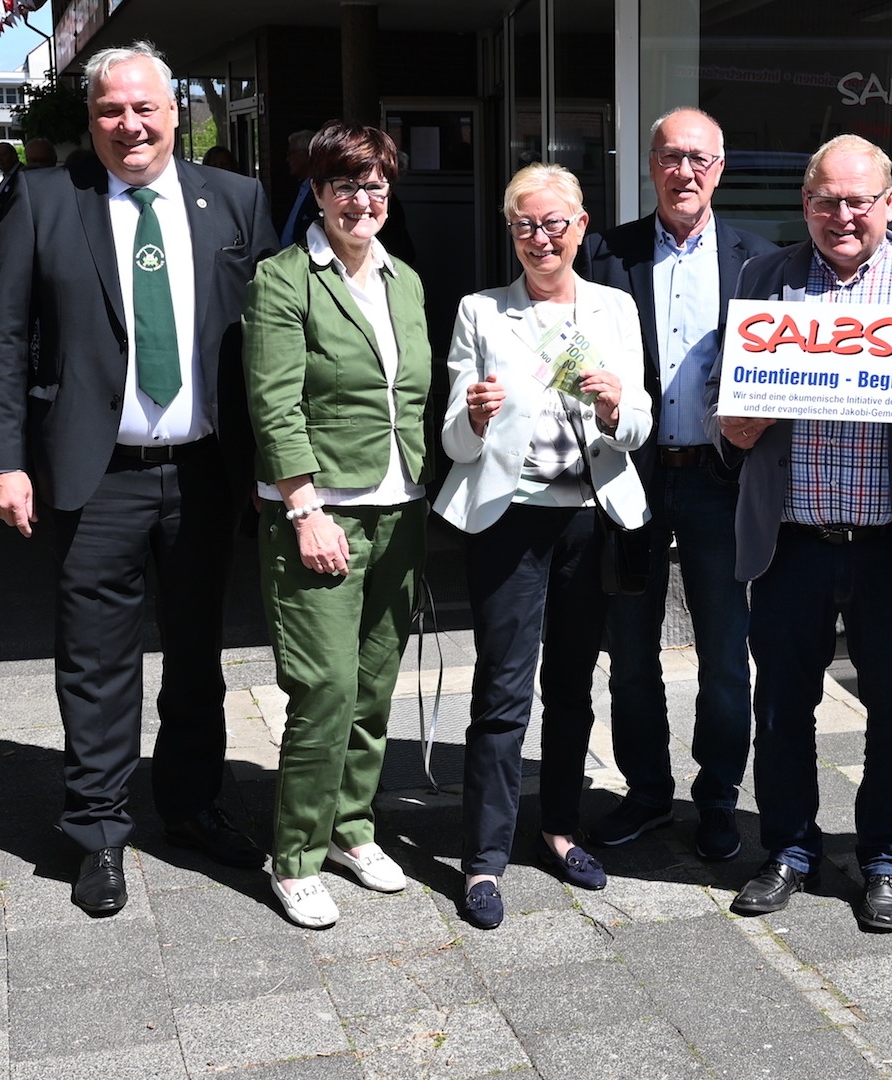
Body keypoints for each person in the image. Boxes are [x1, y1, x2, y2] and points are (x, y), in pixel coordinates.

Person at [0, 41, 278, 916]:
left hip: (205, 472)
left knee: (197, 655)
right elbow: (3, 336)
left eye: (145, 108)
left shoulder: (236, 200)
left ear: (176, 113)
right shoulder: (42, 198)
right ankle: (97, 831)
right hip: (95, 475)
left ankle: (191, 806)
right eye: (111, 110)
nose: (130, 125)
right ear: (92, 117)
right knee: (96, 663)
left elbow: (271, 334)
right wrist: (1, 458)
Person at [712, 134, 892, 933]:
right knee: (780, 710)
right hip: (792, 539)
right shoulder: (763, 279)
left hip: (890, 542)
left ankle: (886, 860)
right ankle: (789, 850)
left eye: (858, 200)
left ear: (888, 203)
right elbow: (728, 405)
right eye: (825, 200)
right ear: (805, 205)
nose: (841, 216)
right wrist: (735, 425)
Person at [433, 163, 651, 930]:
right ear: (511, 231)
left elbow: (638, 427)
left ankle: (560, 830)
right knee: (501, 692)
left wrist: (616, 406)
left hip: (588, 519)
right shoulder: (481, 312)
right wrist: (474, 417)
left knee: (571, 687)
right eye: (525, 224)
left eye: (554, 223)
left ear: (581, 227)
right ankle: (482, 859)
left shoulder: (613, 309)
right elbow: (453, 441)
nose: (540, 238)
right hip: (509, 519)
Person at [242, 122, 431, 929]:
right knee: (324, 688)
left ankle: (351, 829)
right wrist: (304, 508)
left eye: (375, 184)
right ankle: (294, 856)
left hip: (400, 507)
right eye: (345, 185)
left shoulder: (404, 281)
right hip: (320, 514)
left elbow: (413, 395)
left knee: (373, 687)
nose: (362, 200)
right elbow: (273, 403)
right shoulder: (282, 280)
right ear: (317, 194)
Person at [581, 107, 778, 861]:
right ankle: (647, 792)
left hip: (720, 482)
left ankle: (719, 796)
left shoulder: (760, 261)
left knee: (725, 654)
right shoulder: (605, 253)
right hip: (630, 478)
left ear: (719, 168)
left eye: (698, 158)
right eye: (670, 157)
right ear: (651, 166)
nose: (684, 172)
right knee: (630, 653)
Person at [277, 129, 319, 247]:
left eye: (291, 153)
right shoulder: (293, 188)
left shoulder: (319, 191)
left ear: (307, 154)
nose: (288, 159)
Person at [0, 140, 22, 225]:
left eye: (3, 155)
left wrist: (1, 208)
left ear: (14, 156)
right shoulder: (7, 175)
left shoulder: (21, 174)